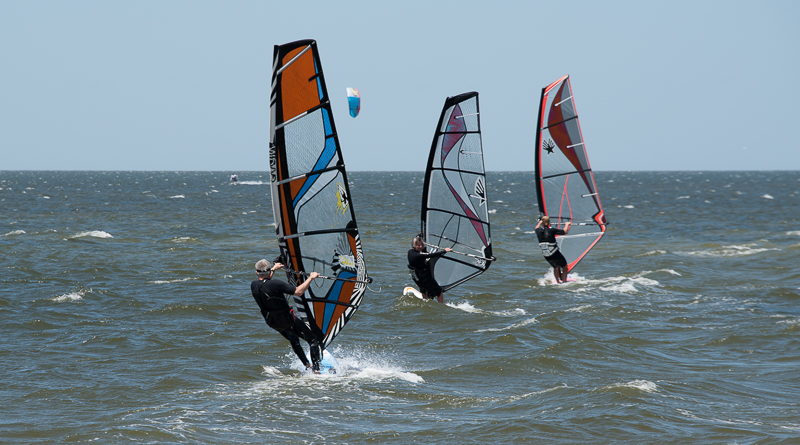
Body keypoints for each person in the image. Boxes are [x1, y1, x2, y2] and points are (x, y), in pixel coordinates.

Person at [250, 258, 322, 372]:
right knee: (313, 340)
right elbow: (298, 291)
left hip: (272, 322)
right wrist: (311, 278)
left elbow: (266, 282)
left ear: (256, 272)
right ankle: (317, 370)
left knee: (294, 340)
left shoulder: (254, 285)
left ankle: (308, 366)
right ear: (268, 272)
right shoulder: (276, 283)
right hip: (287, 320)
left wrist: (273, 269)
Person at [407, 235, 452, 303]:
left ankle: (425, 302)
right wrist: (444, 251)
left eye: (421, 245)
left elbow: (424, 252)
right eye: (418, 245)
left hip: (415, 276)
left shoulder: (410, 251)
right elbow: (429, 255)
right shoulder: (418, 255)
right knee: (439, 292)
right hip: (423, 277)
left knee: (424, 290)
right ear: (413, 245)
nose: (420, 246)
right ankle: (441, 305)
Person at [534, 216, 572, 283]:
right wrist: (567, 224)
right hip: (554, 252)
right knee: (565, 267)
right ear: (549, 223)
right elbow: (564, 232)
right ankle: (564, 281)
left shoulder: (538, 231)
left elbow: (536, 227)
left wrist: (540, 222)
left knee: (556, 267)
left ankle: (557, 282)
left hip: (546, 254)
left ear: (542, 223)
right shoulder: (552, 230)